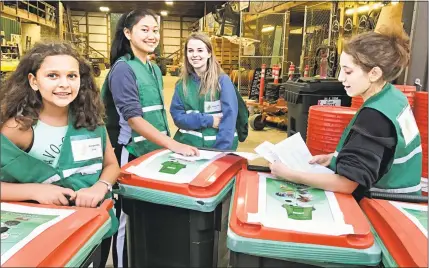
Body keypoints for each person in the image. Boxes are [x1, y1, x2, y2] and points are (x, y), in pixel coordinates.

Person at [0, 41, 120, 267]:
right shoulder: (20, 128)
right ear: (34, 81)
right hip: (45, 236)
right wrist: (35, 190)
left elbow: (112, 165)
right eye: (52, 75)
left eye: (72, 76)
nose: (64, 84)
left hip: (94, 227)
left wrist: (99, 187)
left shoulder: (91, 121)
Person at [270, 27, 422, 201]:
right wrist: (335, 158)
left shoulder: (375, 116)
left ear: (374, 73)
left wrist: (289, 173)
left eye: (348, 71)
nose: (341, 78)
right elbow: (383, 151)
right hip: (406, 197)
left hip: (384, 205)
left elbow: (347, 184)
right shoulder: (393, 97)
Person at [101, 9, 199, 268]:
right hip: (128, 151)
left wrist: (165, 145)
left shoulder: (154, 68)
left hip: (152, 151)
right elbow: (133, 119)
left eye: (155, 30)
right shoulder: (123, 69)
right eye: (144, 29)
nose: (152, 35)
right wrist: (175, 145)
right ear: (127, 33)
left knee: (144, 214)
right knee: (125, 216)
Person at [170, 32, 239, 150]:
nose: (195, 55)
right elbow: (178, 118)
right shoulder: (182, 85)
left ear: (209, 53)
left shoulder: (222, 81)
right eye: (190, 50)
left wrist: (220, 151)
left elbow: (229, 118)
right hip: (188, 148)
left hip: (218, 148)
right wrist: (209, 120)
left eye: (200, 50)